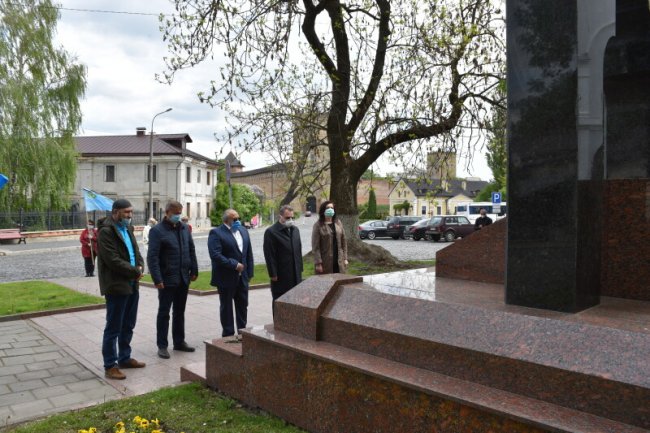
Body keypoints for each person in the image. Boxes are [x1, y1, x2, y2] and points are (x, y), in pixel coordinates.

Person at [96, 199, 146, 380]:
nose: (130, 216)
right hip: (116, 284)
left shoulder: (129, 229)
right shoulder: (106, 232)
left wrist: (141, 266)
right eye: (126, 212)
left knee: (128, 324)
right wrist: (135, 271)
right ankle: (110, 365)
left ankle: (124, 357)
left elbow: (136, 252)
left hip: (132, 283)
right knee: (114, 327)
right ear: (115, 212)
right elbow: (112, 260)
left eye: (131, 212)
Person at [147, 201, 198, 359]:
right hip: (167, 278)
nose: (178, 215)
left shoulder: (184, 228)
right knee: (164, 313)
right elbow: (152, 256)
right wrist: (157, 278)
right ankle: (162, 345)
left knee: (179, 311)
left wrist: (194, 269)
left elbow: (191, 248)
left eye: (180, 212)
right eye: (176, 212)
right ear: (167, 212)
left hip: (183, 277)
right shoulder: (157, 231)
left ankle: (179, 341)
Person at [208, 208, 254, 341]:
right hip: (226, 277)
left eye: (238, 218)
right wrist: (234, 264)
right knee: (226, 307)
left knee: (242, 305)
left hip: (242, 278)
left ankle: (242, 332)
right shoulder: (216, 233)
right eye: (235, 219)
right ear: (227, 220)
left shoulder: (243, 231)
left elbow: (248, 253)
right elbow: (215, 255)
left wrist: (249, 273)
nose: (238, 221)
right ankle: (228, 335)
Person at [263, 205, 303, 311]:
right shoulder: (271, 232)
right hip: (281, 274)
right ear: (280, 216)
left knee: (294, 302)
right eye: (287, 218)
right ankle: (278, 324)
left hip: (295, 273)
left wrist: (300, 269)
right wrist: (273, 273)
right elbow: (269, 254)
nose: (290, 220)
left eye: (292, 217)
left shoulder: (295, 230)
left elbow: (298, 250)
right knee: (280, 302)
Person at [311, 201, 348, 274]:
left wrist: (345, 258)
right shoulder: (318, 225)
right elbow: (315, 247)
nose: (330, 209)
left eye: (332, 208)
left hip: (339, 260)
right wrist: (318, 263)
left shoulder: (338, 222)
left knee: (339, 281)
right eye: (327, 208)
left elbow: (344, 241)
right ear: (323, 210)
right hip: (325, 261)